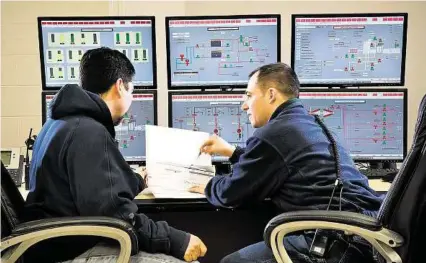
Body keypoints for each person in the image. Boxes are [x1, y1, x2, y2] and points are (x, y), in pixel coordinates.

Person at [23, 47, 206, 263]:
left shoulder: (61, 123)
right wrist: (177, 240)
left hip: (55, 243)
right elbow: (117, 217)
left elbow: (98, 189)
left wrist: (138, 179)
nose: (131, 100)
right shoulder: (88, 132)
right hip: (72, 250)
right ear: (120, 86)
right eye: (132, 91)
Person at [189, 63, 383, 263]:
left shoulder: (273, 134)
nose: (244, 105)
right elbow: (278, 164)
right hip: (364, 234)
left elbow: (230, 194)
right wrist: (232, 152)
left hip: (333, 243)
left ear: (271, 94)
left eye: (249, 95)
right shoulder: (311, 123)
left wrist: (208, 185)